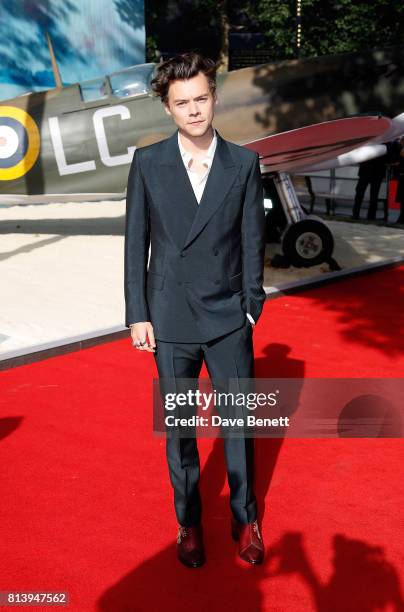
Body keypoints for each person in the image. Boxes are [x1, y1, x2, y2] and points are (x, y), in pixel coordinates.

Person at [124, 51, 266, 568]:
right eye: (181, 102)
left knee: (239, 425)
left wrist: (252, 304)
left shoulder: (245, 164)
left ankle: (245, 515)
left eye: (201, 98)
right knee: (180, 429)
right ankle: (188, 522)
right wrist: (137, 312)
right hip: (169, 318)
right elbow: (135, 240)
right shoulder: (148, 162)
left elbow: (254, 241)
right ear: (167, 107)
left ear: (214, 98)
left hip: (229, 316)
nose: (193, 110)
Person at [352, 151, 388, 220]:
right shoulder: (386, 143)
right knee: (373, 196)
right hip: (377, 172)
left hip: (366, 170)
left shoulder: (368, 142)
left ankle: (356, 214)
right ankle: (371, 216)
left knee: (360, 193)